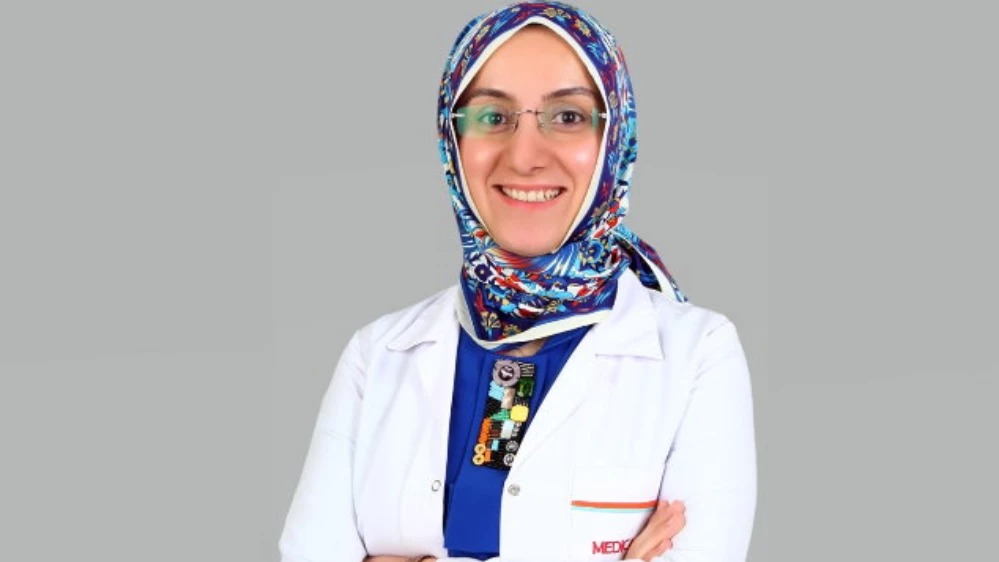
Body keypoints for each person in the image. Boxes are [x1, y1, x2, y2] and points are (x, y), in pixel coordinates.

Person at [278, 2, 756, 561]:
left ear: (615, 137)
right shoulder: (377, 355)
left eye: (568, 116)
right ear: (451, 141)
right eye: (492, 117)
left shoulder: (698, 355)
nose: (525, 157)